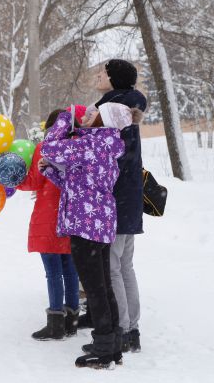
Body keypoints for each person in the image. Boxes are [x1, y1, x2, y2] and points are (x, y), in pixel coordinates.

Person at [39, 103, 133, 369]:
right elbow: (79, 185)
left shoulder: (90, 145)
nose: (85, 115)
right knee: (103, 286)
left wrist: (63, 120)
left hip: (85, 225)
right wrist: (51, 170)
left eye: (92, 114)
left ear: (104, 120)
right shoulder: (104, 145)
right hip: (99, 223)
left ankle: (104, 350)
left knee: (95, 289)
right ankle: (112, 345)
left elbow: (49, 146)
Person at [79, 59, 147, 353]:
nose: (97, 75)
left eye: (102, 73)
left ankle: (123, 328)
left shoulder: (113, 110)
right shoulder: (127, 106)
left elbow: (110, 155)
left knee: (113, 267)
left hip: (114, 197)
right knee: (125, 265)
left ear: (115, 79)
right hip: (128, 195)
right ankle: (132, 330)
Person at [17, 107, 85, 341]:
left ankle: (56, 324)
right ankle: (72, 320)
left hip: (49, 213)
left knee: (52, 271)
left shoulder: (45, 147)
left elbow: (34, 181)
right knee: (70, 267)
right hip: (74, 213)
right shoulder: (80, 146)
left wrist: (16, 179)